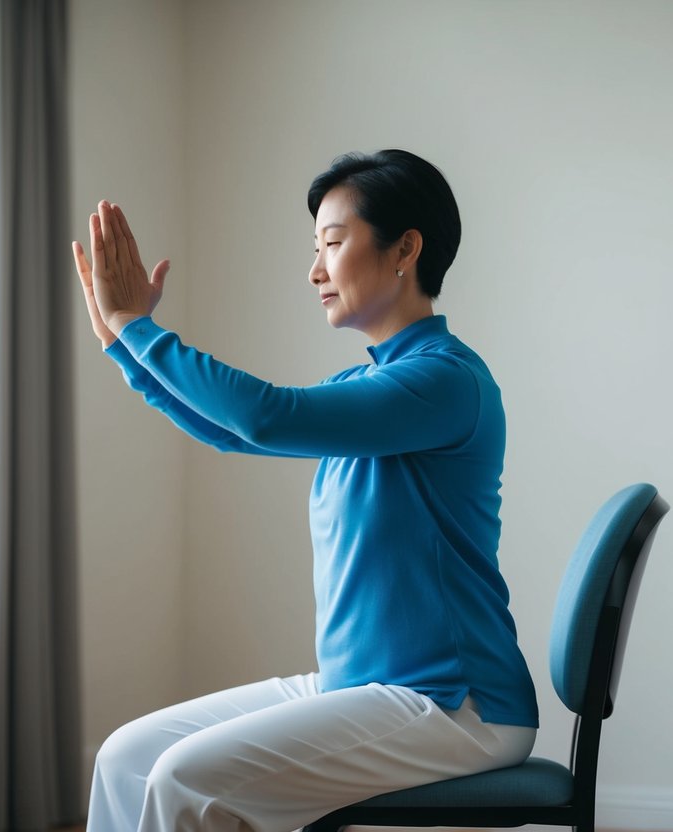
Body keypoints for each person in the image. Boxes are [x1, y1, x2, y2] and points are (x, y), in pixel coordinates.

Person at [72, 150, 539, 832]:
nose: (314, 270)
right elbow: (238, 433)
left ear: (405, 247)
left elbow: (265, 416)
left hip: (455, 705)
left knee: (186, 781)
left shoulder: (445, 382)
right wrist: (123, 344)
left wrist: (142, 329)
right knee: (126, 758)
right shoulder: (374, 388)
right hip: (364, 684)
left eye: (332, 243)